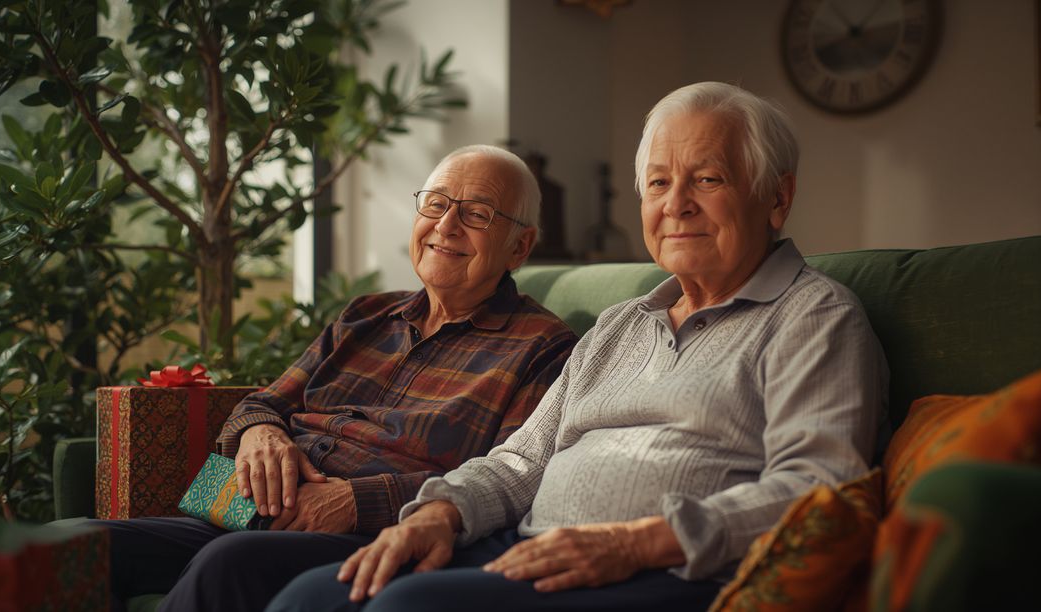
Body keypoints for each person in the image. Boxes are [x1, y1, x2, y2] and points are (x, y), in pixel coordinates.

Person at [266, 82, 889, 612]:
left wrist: (635, 542)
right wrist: (441, 512)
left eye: (707, 179)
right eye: (659, 183)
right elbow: (520, 462)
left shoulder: (813, 318)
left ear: (777, 198)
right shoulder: (618, 323)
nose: (677, 205)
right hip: (250, 500)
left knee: (393, 601)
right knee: (295, 589)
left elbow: (819, 488)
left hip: (662, 574)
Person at [86, 145, 579, 611]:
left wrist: (355, 501)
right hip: (247, 508)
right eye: (435, 204)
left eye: (476, 214)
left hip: (369, 531)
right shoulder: (364, 315)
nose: (446, 226)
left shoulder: (543, 347)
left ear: (520, 247)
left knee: (227, 565)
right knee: (81, 544)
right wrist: (262, 434)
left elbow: (511, 480)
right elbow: (263, 403)